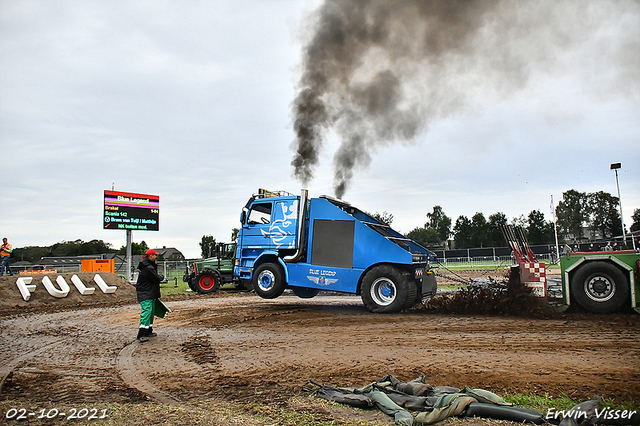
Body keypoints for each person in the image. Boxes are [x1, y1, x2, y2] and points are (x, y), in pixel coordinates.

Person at [135, 249, 164, 342]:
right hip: (145, 292)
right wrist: (161, 277)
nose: (156, 257)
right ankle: (142, 333)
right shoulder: (148, 268)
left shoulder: (148, 266)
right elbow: (156, 278)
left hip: (149, 292)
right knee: (147, 311)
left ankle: (148, 330)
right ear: (150, 256)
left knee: (151, 311)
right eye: (155, 255)